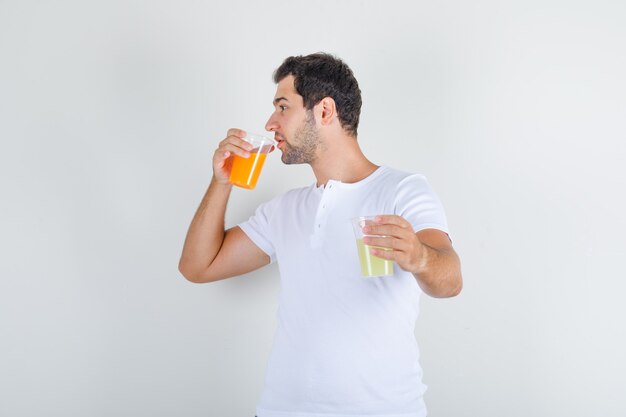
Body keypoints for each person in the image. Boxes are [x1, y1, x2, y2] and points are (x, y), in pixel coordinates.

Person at [179, 52, 462, 417]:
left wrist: (420, 256)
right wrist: (222, 182)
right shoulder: (283, 209)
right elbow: (198, 267)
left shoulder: (402, 190)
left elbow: (450, 281)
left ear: (324, 111)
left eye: (283, 107)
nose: (270, 122)